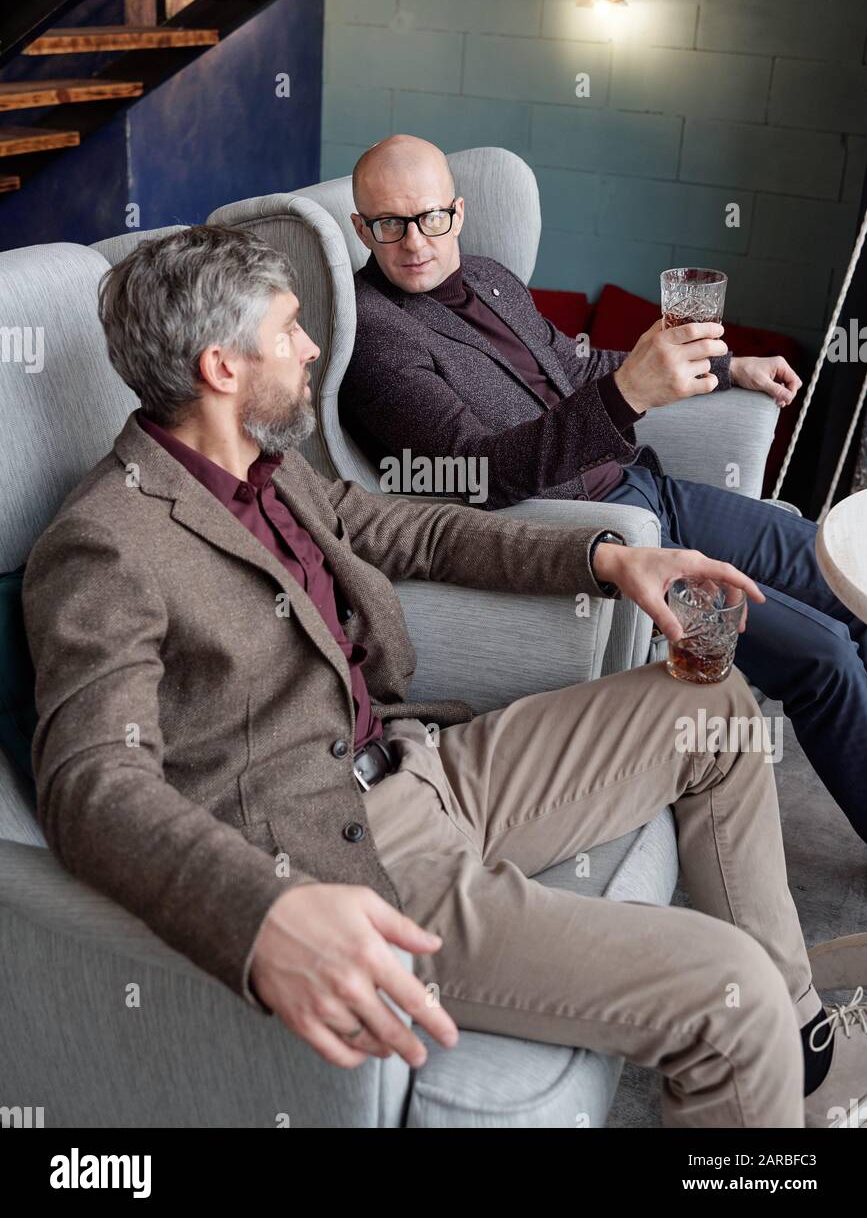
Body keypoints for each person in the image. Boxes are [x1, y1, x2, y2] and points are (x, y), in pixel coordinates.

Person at [23, 224, 866, 1128]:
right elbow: (90, 783)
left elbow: (418, 529)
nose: (313, 348)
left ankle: (802, 1035)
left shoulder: (271, 471)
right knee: (721, 988)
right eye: (292, 329)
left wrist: (610, 558)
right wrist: (260, 916)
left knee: (710, 707)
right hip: (348, 859)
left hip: (425, 765)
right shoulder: (106, 541)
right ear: (221, 367)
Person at [341, 134, 867, 845]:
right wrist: (624, 397)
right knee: (825, 655)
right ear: (359, 227)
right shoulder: (374, 336)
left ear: (458, 214)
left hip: (643, 485)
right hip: (592, 527)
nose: (413, 242)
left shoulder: (490, 277)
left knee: (846, 579)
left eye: (430, 217)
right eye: (388, 224)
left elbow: (573, 364)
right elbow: (475, 472)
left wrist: (726, 366)